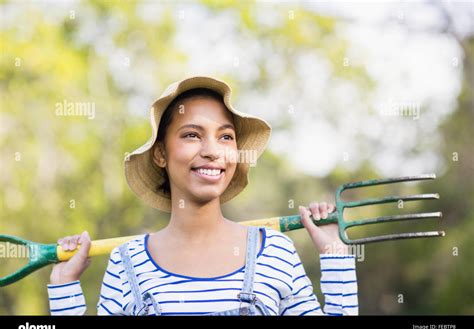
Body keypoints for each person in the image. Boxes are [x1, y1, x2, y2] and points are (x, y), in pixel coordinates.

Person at [47, 76, 358, 316]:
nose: (212, 151)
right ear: (160, 154)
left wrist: (335, 256)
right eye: (192, 135)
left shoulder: (276, 253)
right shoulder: (127, 263)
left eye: (225, 137)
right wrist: (63, 286)